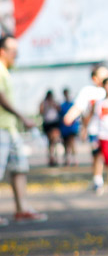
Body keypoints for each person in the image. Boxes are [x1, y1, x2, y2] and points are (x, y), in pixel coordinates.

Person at [0, 35, 47, 222]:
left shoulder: (6, 71)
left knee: (19, 167)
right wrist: (22, 116)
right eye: (14, 51)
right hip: (1, 128)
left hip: (9, 129)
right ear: (2, 52)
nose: (16, 55)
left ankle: (22, 209)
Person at [63, 64, 108, 193]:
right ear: (95, 78)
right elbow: (79, 106)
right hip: (95, 130)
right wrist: (70, 116)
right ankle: (98, 179)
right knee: (98, 155)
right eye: (103, 76)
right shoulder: (89, 91)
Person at [39, 90, 62, 167]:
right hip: (48, 123)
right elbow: (41, 112)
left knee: (54, 141)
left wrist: (54, 105)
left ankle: (55, 157)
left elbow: (59, 109)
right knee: (50, 143)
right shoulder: (44, 103)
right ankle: (51, 158)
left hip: (54, 123)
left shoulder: (55, 102)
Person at [58, 88, 80, 167]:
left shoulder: (73, 104)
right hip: (64, 128)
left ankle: (74, 159)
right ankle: (68, 159)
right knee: (66, 144)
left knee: (72, 143)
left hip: (72, 127)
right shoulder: (62, 105)